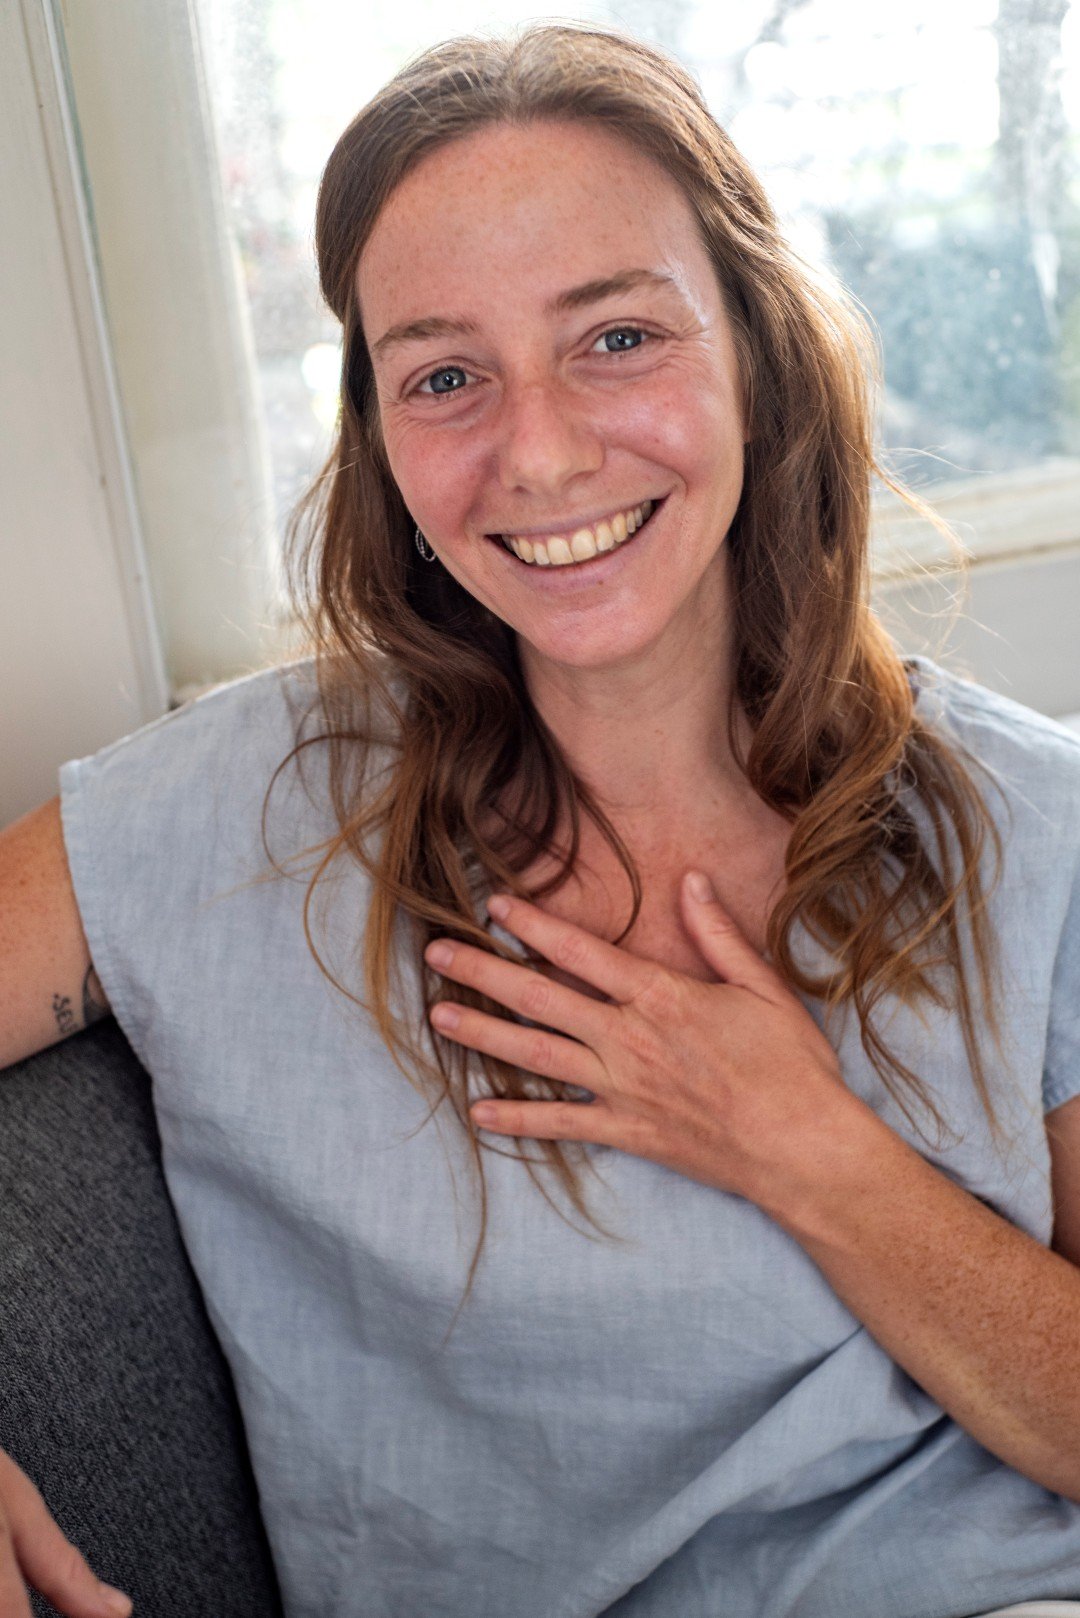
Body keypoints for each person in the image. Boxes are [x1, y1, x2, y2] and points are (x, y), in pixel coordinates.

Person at [2, 21, 1080, 1618]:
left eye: (619, 337)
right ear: (380, 445)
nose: (546, 449)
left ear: (757, 353)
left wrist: (805, 1147)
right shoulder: (235, 812)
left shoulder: (1031, 825)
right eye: (445, 375)